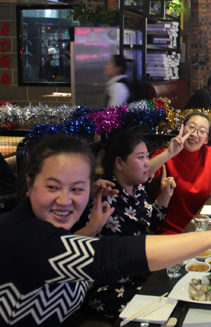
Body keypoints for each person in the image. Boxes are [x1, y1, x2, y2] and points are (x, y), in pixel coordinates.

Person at [0, 134, 211, 326]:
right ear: (30, 184)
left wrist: (93, 224)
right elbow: (112, 255)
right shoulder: (22, 237)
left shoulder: (42, 226)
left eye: (77, 188)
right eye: (52, 187)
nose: (65, 200)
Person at [73, 132, 175, 323]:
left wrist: (165, 196)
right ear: (119, 163)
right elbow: (79, 246)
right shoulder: (102, 195)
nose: (147, 163)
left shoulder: (137, 188)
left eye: (147, 156)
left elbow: (149, 224)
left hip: (141, 272)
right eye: (140, 157)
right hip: (112, 285)